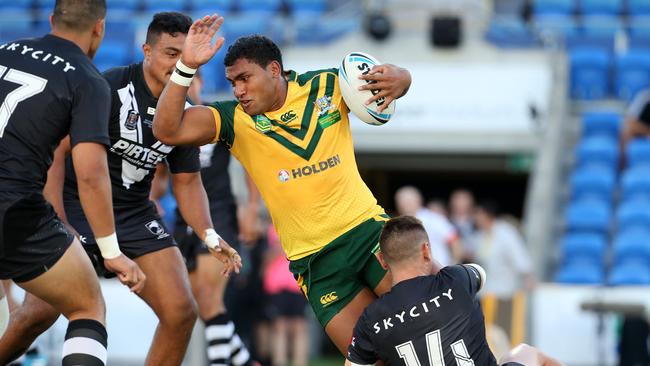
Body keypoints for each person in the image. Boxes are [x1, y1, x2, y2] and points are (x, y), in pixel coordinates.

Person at [152, 14, 412, 353]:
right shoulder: (233, 118)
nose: (238, 90)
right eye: (232, 82)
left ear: (274, 70)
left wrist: (402, 78)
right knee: (367, 355)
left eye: (244, 78)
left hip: (366, 234)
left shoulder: (328, 85)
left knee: (420, 323)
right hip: (315, 263)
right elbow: (166, 130)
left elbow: (391, 81)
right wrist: (186, 66)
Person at [0, 12, 242, 366]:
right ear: (147, 51)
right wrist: (59, 216)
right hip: (79, 206)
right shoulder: (108, 86)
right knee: (40, 314)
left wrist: (207, 233)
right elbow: (60, 152)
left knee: (180, 312)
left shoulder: (185, 112)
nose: (178, 63)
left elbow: (188, 181)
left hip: (132, 212)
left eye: (184, 54)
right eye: (170, 53)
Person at [0, 1, 146, 365]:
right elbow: (91, 173)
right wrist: (111, 253)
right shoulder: (88, 79)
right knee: (87, 306)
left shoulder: (4, 50)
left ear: (52, 20)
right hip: (13, 205)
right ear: (100, 28)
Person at [345, 216, 562, 366]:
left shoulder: (370, 319)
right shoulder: (456, 281)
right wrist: (428, 258)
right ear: (426, 251)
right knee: (526, 351)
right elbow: (478, 274)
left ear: (382, 260)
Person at [170, 70, 259, 366]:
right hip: (184, 219)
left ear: (200, 83)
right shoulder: (166, 123)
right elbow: (158, 174)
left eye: (190, 80)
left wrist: (251, 209)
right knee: (202, 305)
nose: (185, 86)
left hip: (217, 212)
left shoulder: (215, 117)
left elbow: (250, 164)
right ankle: (244, 361)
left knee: (209, 298)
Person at [473, 200, 533, 347]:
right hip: (486, 292)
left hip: (505, 293)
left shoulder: (505, 233)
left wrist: (527, 276)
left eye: (478, 215)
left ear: (486, 216)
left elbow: (519, 256)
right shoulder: (481, 236)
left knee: (505, 332)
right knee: (490, 334)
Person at [263, 224, 309, 366]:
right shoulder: (272, 228)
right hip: (277, 286)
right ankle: (279, 362)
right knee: (279, 326)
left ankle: (299, 362)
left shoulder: (301, 227)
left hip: (297, 285)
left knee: (299, 327)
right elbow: (269, 257)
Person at [394, 185, 462, 266]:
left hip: (439, 271)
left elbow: (455, 241)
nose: (405, 205)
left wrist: (454, 264)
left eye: (408, 201)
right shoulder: (397, 223)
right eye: (402, 201)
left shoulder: (433, 219)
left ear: (419, 200)